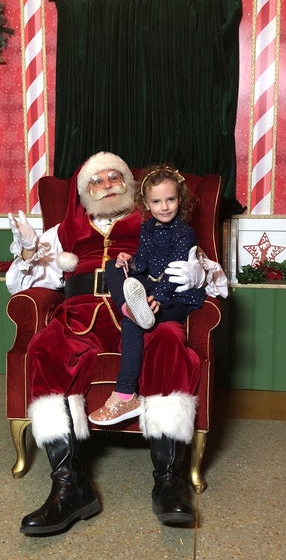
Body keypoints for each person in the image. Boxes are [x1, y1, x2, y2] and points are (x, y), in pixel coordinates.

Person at [6, 151, 225, 536]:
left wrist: (199, 271)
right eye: (97, 180)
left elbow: (198, 263)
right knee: (45, 347)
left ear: (129, 184)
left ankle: (169, 481)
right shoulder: (66, 228)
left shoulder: (154, 218)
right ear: (84, 191)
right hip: (80, 312)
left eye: (114, 177)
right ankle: (69, 488)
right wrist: (27, 249)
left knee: (171, 339)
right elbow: (30, 277)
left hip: (141, 313)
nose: (106, 185)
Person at [88, 165, 207, 427]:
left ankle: (124, 395)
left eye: (171, 199)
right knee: (112, 266)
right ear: (147, 204)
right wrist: (128, 262)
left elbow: (175, 276)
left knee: (133, 324)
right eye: (157, 201)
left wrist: (158, 300)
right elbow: (143, 262)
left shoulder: (183, 233)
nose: (164, 207)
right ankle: (129, 307)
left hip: (177, 296)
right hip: (151, 288)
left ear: (180, 200)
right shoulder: (148, 228)